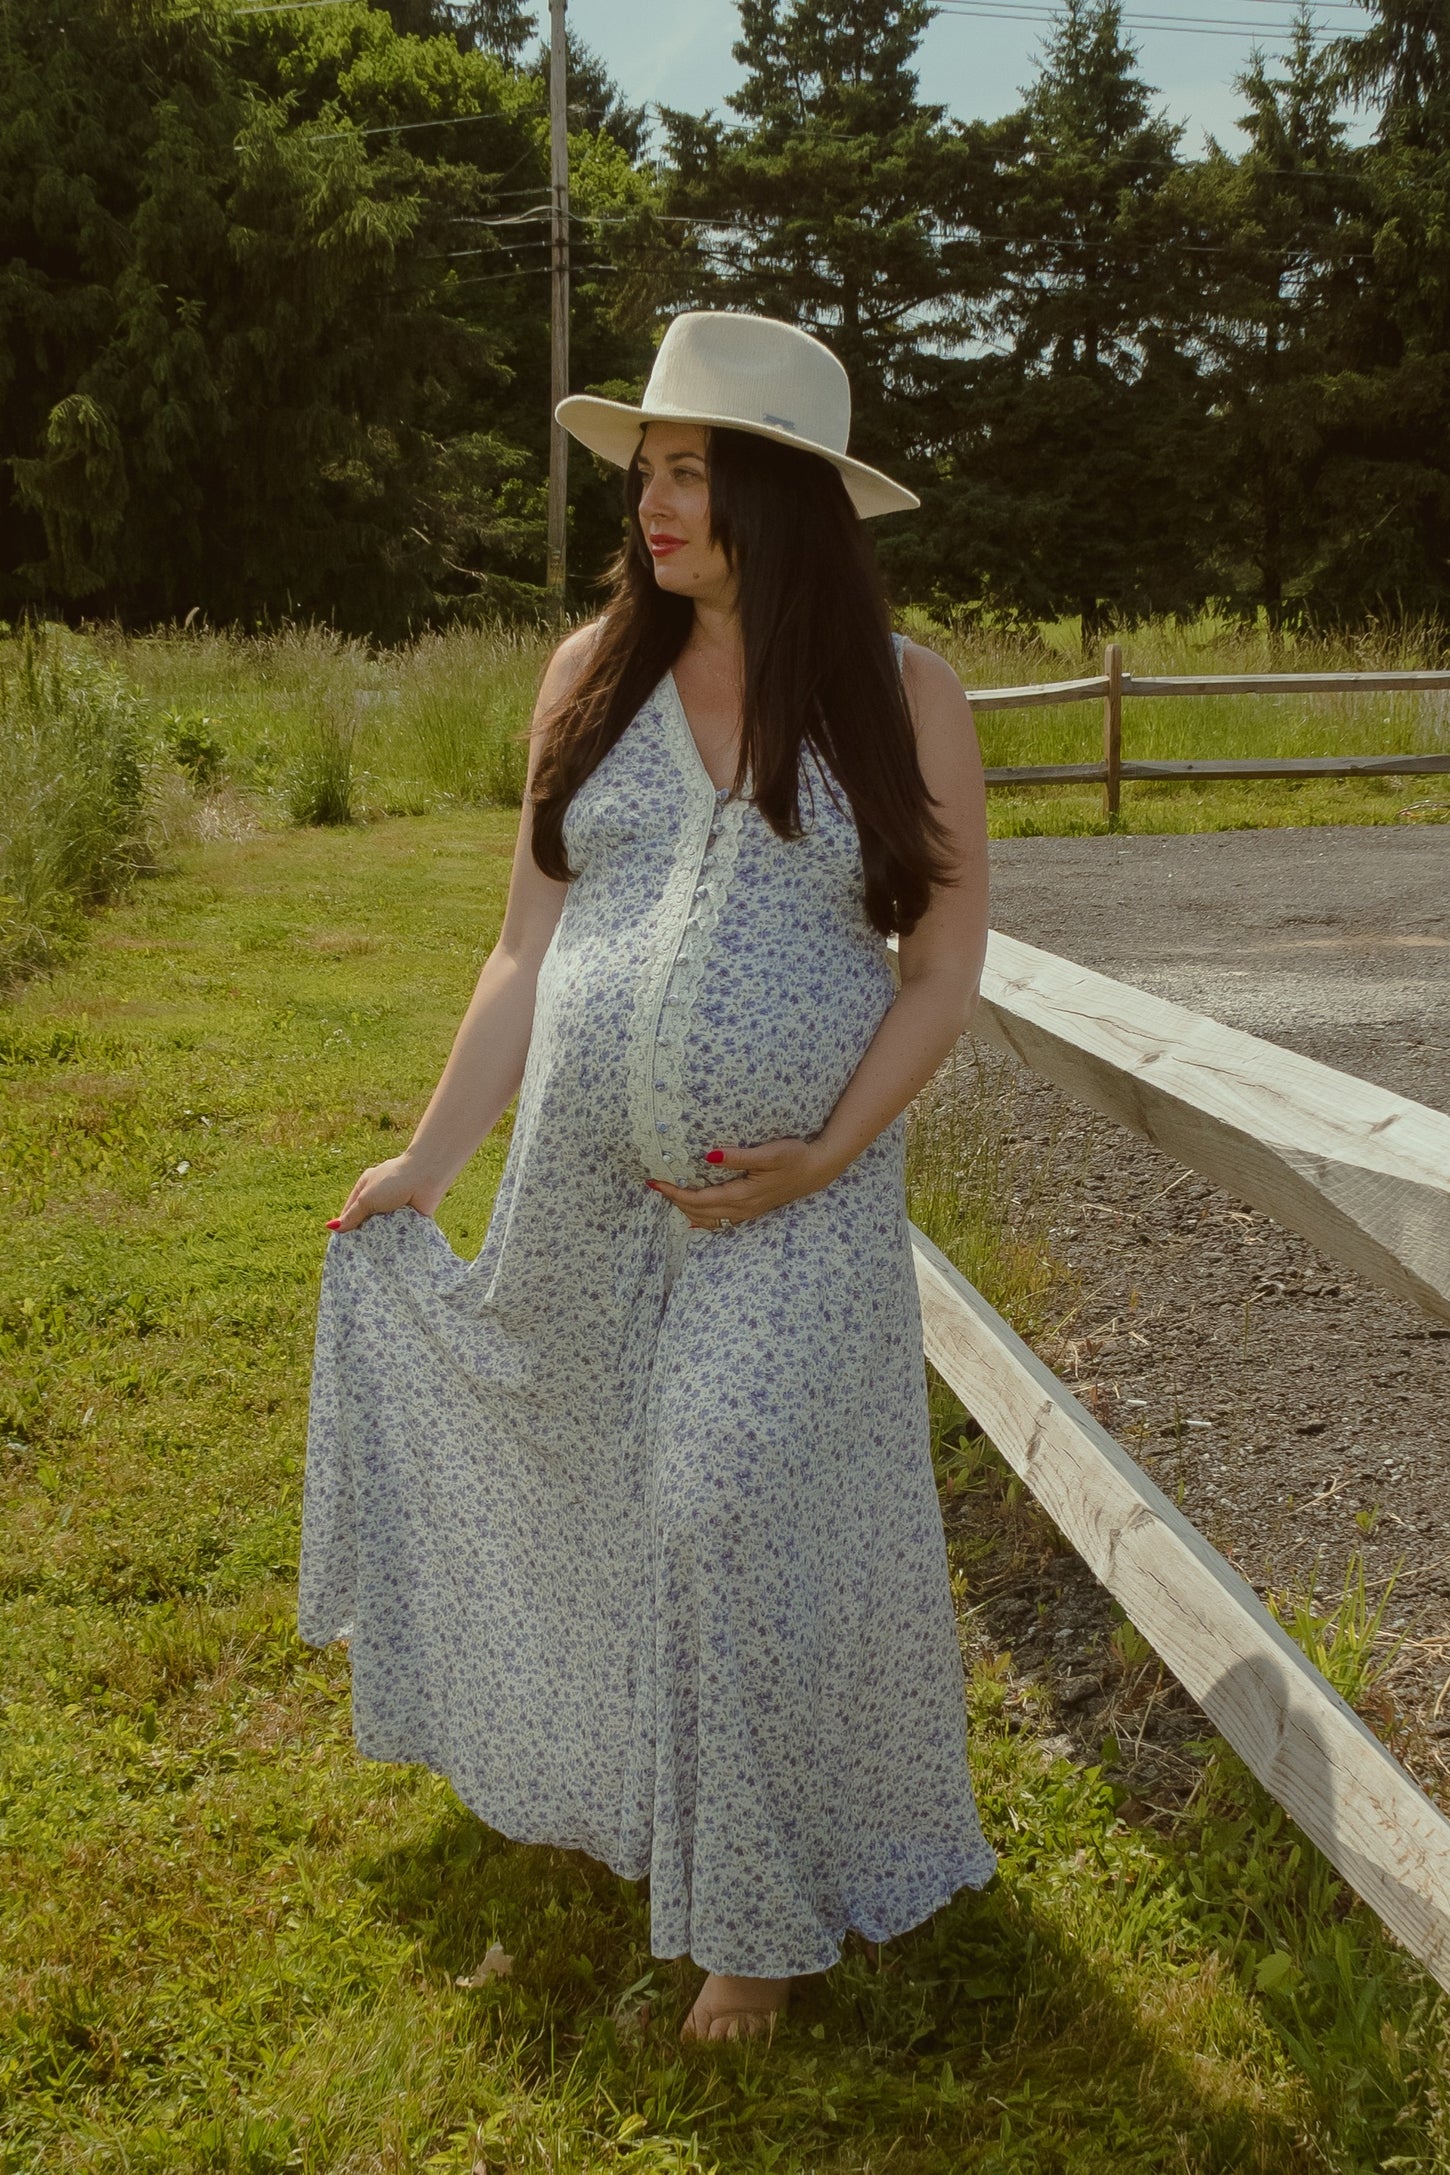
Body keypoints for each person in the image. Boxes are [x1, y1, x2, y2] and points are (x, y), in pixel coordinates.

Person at [300, 310, 998, 2044]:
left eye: (688, 475)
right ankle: (661, 1801)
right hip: (582, 1194)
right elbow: (522, 951)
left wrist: (834, 1146)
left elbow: (945, 960)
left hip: (798, 1195)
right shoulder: (586, 672)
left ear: (778, 496)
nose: (653, 508)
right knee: (605, 1485)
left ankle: (754, 1936)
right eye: (646, 476)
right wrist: (426, 1159)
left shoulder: (901, 696)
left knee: (725, 1499)